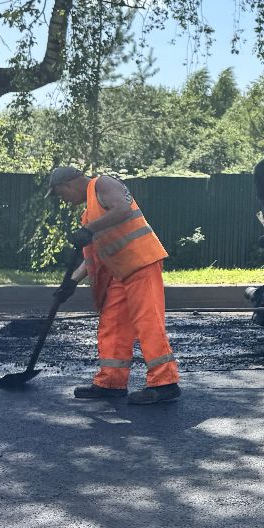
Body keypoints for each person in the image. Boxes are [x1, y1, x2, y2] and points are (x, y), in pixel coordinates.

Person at [46, 165, 181, 404]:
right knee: (113, 325)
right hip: (121, 273)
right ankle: (111, 383)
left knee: (148, 322)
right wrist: (72, 282)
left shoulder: (102, 184)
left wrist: (89, 229)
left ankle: (165, 383)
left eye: (60, 194)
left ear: (66, 185)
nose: (63, 200)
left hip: (141, 263)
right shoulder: (88, 214)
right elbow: (95, 257)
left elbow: (123, 209)